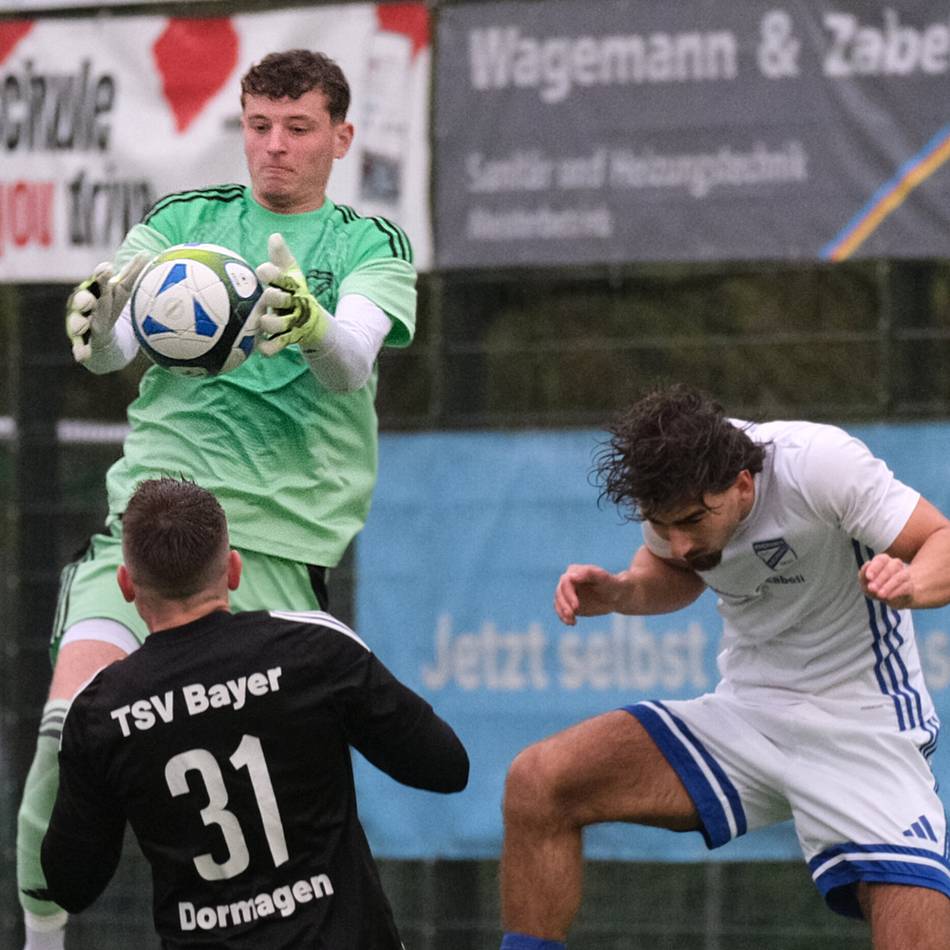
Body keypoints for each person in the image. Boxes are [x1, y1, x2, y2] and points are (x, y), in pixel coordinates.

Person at [17, 49, 417, 950]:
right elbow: (116, 339)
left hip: (274, 542)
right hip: (152, 520)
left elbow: (351, 361)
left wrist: (309, 323)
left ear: (341, 137)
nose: (275, 146)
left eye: (299, 128)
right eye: (259, 125)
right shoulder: (183, 222)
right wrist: (97, 331)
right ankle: (41, 938)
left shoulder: (370, 243)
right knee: (63, 726)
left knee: (283, 784)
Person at [499, 384, 950, 950]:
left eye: (691, 521)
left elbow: (940, 540)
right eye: (663, 526)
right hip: (748, 714)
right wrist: (621, 592)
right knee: (539, 782)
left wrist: (911, 582)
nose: (679, 543)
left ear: (742, 485)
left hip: (862, 725)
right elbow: (674, 573)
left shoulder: (820, 465)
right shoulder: (672, 491)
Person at [39, 476, 468, 947]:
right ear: (233, 570)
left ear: (126, 585)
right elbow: (445, 765)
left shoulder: (100, 712)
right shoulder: (315, 649)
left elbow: (71, 885)